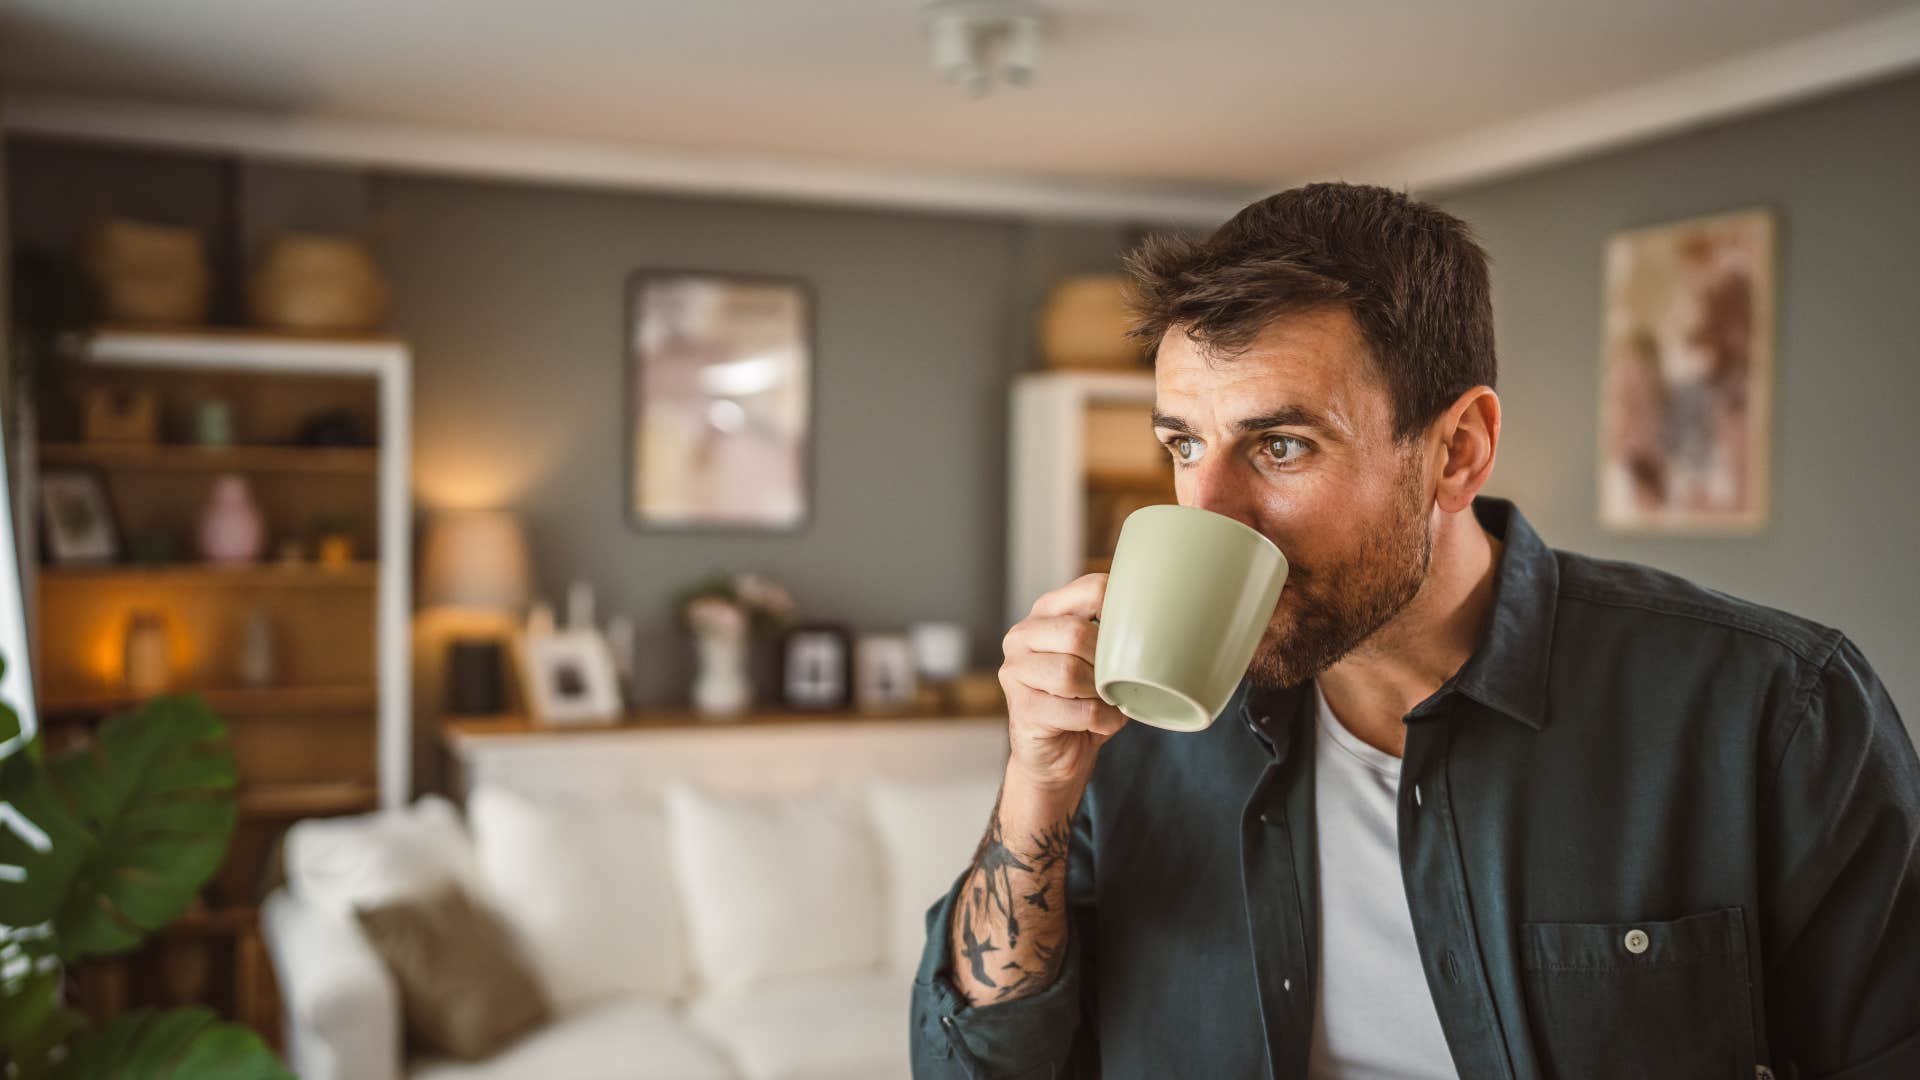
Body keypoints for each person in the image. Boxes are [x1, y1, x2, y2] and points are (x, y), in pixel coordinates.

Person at [908, 183, 1918, 1079]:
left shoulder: (1772, 712)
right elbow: (980, 1066)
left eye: (1281, 445)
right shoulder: (1137, 723)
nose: (1208, 511)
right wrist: (1036, 786)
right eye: (1184, 445)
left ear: (1458, 451)